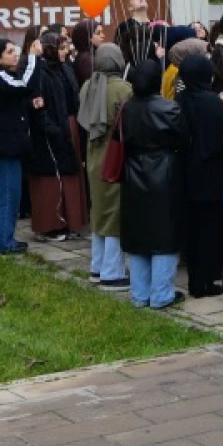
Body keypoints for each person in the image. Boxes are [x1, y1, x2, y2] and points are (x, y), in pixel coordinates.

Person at [119, 61, 188, 310]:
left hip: (133, 170)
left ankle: (139, 293)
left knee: (138, 233)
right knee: (165, 233)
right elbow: (183, 139)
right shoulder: (170, 109)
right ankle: (161, 294)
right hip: (164, 172)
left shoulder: (126, 108)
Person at [76, 45, 133, 288]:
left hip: (93, 155)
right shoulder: (123, 88)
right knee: (114, 214)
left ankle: (97, 267)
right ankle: (112, 272)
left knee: (98, 212)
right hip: (114, 157)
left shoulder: (89, 84)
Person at [174, 55, 223, 299]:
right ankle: (207, 280)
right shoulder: (213, 103)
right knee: (210, 230)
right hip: (211, 176)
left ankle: (196, 281)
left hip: (186, 173)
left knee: (193, 230)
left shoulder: (180, 100)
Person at [0, 38, 41, 256]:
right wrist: (33, 57)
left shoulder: (4, 77)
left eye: (15, 51)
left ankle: (5, 238)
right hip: (4, 146)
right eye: (9, 52)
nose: (15, 55)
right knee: (5, 194)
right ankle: (1, 242)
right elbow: (25, 85)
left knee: (11, 193)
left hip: (11, 146)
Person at [28, 33, 88, 241]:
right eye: (63, 48)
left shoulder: (65, 69)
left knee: (70, 175)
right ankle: (50, 224)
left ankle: (70, 220)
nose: (67, 51)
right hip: (51, 130)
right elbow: (37, 104)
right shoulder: (40, 73)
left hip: (69, 125)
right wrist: (51, 128)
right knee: (51, 178)